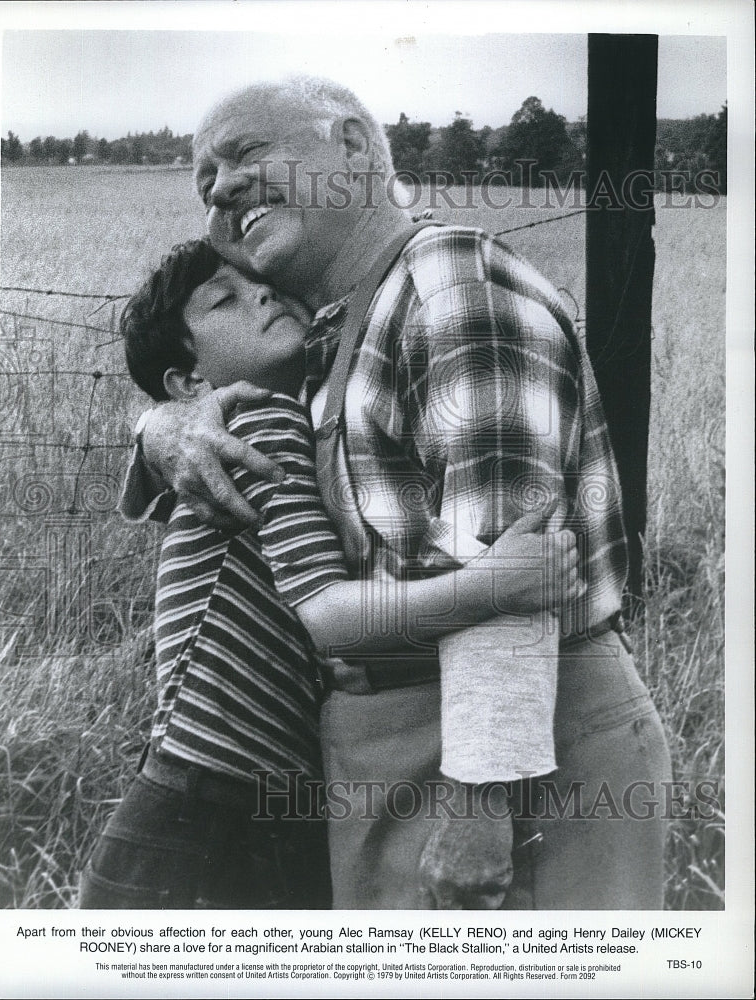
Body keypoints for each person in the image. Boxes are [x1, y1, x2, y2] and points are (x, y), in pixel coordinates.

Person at [129, 75, 672, 909]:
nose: (222, 190)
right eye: (206, 183)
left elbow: (509, 559)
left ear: (350, 148)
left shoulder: (450, 281)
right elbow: (218, 408)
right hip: (391, 752)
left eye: (244, 155)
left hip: (514, 754)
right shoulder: (332, 334)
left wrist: (480, 802)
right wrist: (162, 425)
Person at [81, 237, 580, 909]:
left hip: (215, 792)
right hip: (211, 806)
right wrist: (492, 585)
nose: (260, 294)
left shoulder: (279, 420)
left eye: (257, 284)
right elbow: (326, 615)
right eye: (224, 299)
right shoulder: (262, 423)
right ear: (189, 381)